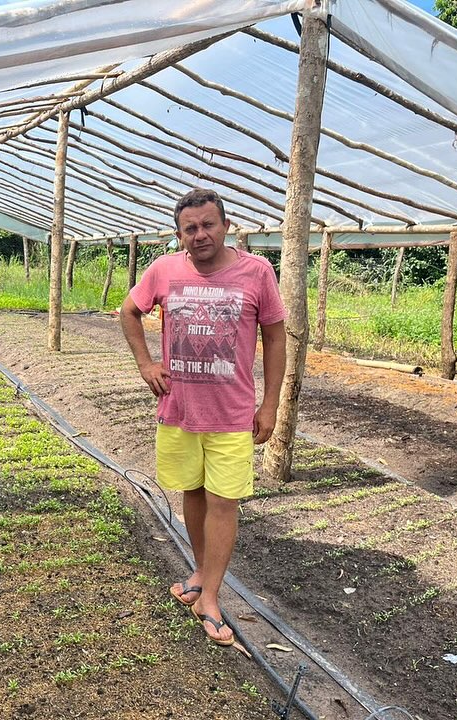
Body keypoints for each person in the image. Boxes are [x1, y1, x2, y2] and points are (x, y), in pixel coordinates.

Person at [120, 188, 286, 646]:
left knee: (224, 501)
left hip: (231, 414)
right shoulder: (164, 270)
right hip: (178, 410)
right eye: (189, 228)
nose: (200, 235)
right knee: (192, 491)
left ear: (226, 225)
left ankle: (210, 596)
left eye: (208, 224)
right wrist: (145, 364)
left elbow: (275, 339)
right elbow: (129, 311)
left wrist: (269, 403)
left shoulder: (257, 272)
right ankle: (200, 571)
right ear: (179, 234)